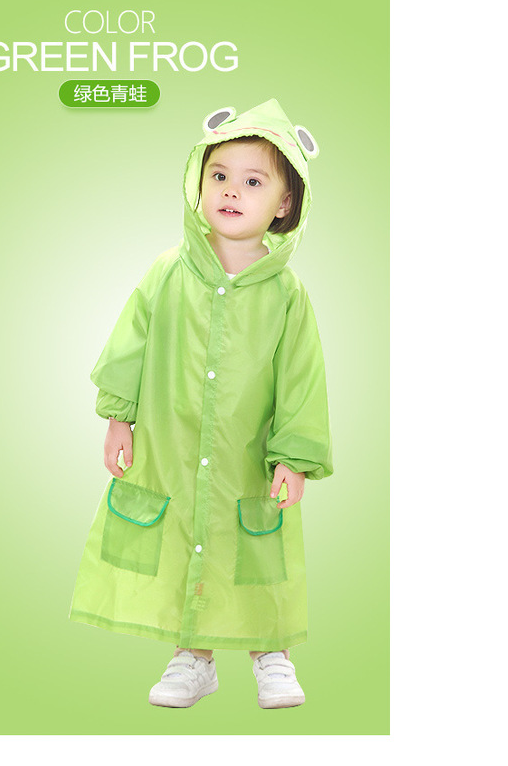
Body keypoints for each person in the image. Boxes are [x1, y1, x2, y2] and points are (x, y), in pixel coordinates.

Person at [69, 99, 333, 709]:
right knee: (184, 543)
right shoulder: (167, 272)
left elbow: (302, 378)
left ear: (284, 204)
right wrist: (119, 418)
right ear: (200, 182)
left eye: (253, 181)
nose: (231, 191)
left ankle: (272, 653)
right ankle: (193, 656)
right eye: (219, 175)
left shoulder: (286, 294)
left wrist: (294, 457)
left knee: (256, 553)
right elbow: (130, 345)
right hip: (173, 449)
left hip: (248, 458)